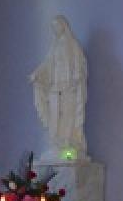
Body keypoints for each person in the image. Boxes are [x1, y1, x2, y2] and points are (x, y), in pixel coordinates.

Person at [31, 16, 89, 163]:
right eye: (53, 27)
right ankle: (57, 144)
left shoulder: (72, 45)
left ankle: (68, 144)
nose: (55, 30)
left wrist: (77, 77)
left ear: (64, 26)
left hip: (69, 87)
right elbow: (47, 64)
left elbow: (79, 65)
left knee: (68, 115)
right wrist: (37, 74)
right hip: (56, 87)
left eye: (57, 26)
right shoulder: (54, 47)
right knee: (55, 116)